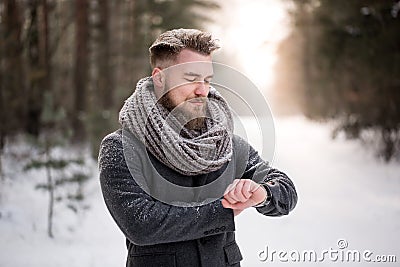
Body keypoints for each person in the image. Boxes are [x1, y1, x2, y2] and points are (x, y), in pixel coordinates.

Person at [99, 28, 297, 267]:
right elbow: (142, 225)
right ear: (159, 78)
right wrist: (224, 210)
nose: (202, 90)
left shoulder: (223, 142)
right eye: (191, 79)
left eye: (207, 80)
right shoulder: (121, 148)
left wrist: (261, 193)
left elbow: (285, 191)